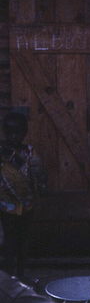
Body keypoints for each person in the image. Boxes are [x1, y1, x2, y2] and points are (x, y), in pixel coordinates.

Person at [0, 112, 46, 279]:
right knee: (9, 243)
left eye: (17, 133)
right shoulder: (1, 153)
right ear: (4, 133)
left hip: (27, 206)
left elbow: (39, 174)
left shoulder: (29, 153)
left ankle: (20, 275)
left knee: (23, 242)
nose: (13, 137)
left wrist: (41, 186)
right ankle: (8, 279)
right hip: (6, 207)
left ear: (24, 133)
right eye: (9, 133)